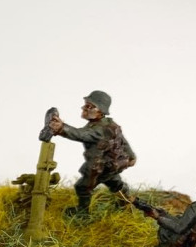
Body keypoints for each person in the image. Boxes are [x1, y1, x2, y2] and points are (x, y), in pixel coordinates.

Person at [47, 90, 135, 218]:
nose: (84, 108)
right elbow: (123, 142)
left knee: (82, 187)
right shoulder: (110, 125)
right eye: (85, 105)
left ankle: (82, 214)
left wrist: (61, 128)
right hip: (111, 166)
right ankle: (126, 203)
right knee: (115, 183)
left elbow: (81, 134)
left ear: (100, 110)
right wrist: (131, 156)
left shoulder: (99, 129)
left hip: (99, 167)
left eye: (89, 106)